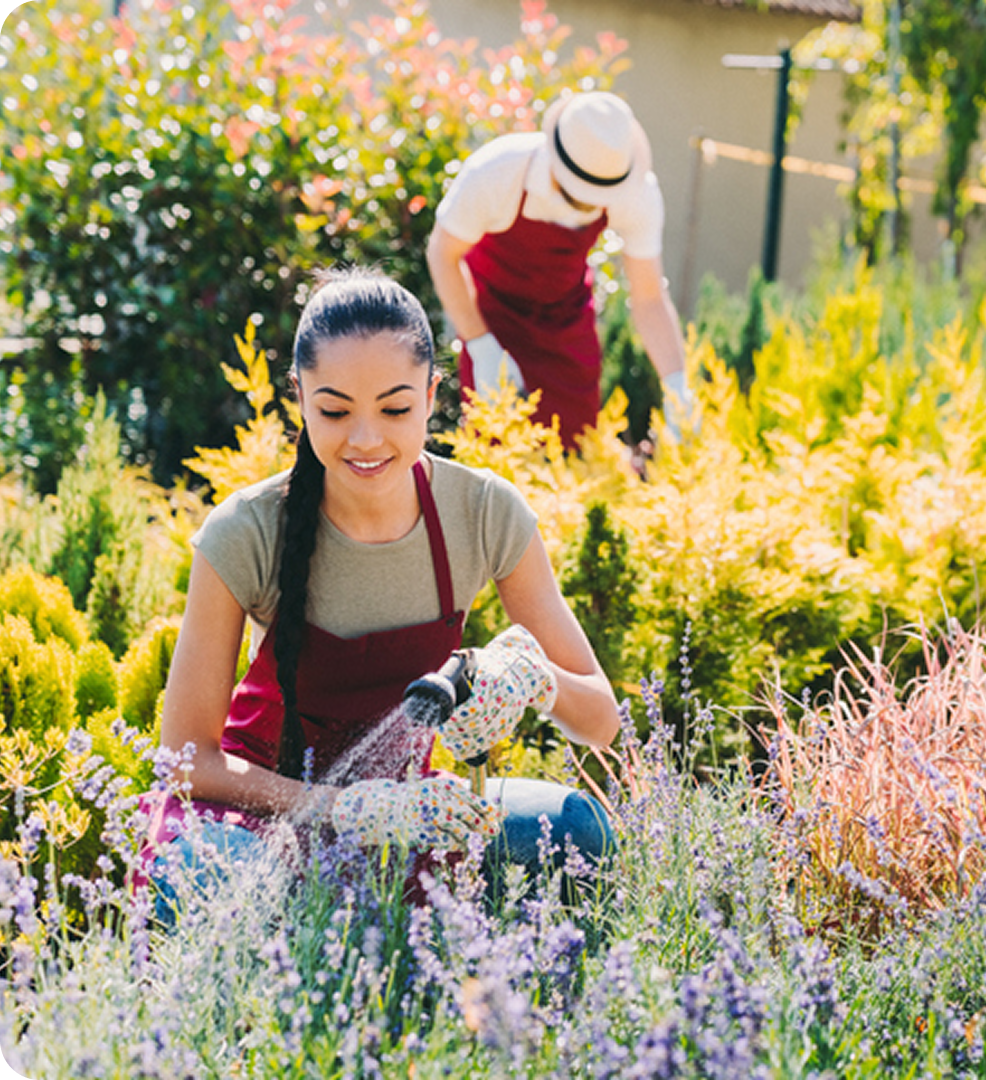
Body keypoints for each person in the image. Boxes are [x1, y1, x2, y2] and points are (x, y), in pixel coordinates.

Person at [141, 268, 621, 916]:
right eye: (334, 410)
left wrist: (535, 678)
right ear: (300, 397)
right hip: (259, 815)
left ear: (431, 393)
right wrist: (341, 809)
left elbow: (601, 722)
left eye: (395, 408)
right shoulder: (247, 531)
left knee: (575, 829)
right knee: (206, 875)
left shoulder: (482, 513)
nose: (365, 439)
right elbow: (185, 761)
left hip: (410, 808)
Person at [426, 90, 693, 449]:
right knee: (495, 451)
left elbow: (648, 298)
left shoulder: (633, 190)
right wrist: (480, 344)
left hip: (566, 323)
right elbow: (443, 254)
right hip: (492, 316)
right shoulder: (496, 172)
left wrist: (677, 387)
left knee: (576, 447)